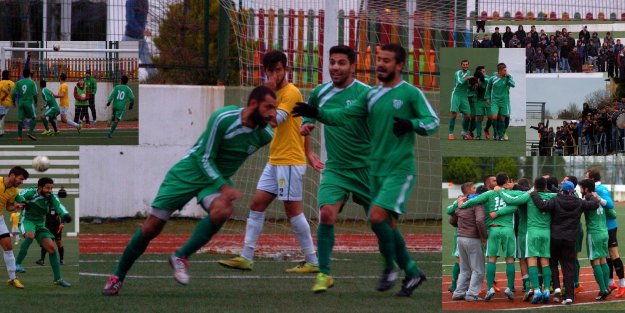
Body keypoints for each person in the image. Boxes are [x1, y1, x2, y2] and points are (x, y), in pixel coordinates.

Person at [102, 85, 278, 296]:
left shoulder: (264, 134)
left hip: (214, 181)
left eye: (274, 108)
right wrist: (224, 186)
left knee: (223, 210)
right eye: (268, 107)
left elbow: (285, 127)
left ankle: (180, 256)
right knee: (151, 228)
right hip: (190, 171)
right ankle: (117, 276)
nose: (272, 113)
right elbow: (204, 157)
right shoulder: (223, 118)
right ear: (253, 104)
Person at [293, 43, 439, 297]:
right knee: (336, 214)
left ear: (399, 65)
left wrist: (412, 123)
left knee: (378, 218)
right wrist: (312, 114)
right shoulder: (370, 96)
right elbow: (342, 116)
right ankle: (329, 273)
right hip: (355, 170)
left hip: (393, 169)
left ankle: (391, 267)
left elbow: (433, 122)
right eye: (379, 59)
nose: (380, 64)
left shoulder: (409, 93)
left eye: (386, 60)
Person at [218, 51, 322, 275]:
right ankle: (246, 257)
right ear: (265, 71)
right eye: (270, 70)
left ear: (286, 69)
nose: (275, 74)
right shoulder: (272, 94)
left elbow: (274, 121)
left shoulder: (291, 92)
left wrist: (268, 95)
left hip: (289, 161)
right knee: (256, 204)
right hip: (276, 159)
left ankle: (313, 260)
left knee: (292, 210)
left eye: (278, 70)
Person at [296, 45, 372, 293]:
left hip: (366, 168)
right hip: (336, 169)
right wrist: (306, 125)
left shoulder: (366, 94)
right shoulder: (319, 92)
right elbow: (309, 115)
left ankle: (401, 267)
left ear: (352, 66)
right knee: (327, 213)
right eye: (332, 62)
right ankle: (324, 273)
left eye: (341, 63)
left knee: (382, 223)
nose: (335, 67)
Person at [529, 180, 602, 305]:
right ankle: (569, 296)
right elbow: (594, 205)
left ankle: (556, 286)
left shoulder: (556, 200)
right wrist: (591, 195)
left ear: (561, 190)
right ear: (573, 191)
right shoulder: (579, 202)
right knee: (569, 267)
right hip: (570, 239)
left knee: (552, 263)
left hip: (555, 237)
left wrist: (534, 194)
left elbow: (542, 205)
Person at [459, 172, 517, 301]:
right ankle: (509, 288)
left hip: (494, 229)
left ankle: (490, 288)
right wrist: (513, 188)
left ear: (497, 182)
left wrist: (462, 204)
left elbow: (474, 200)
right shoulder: (512, 194)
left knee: (491, 259)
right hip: (508, 230)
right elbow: (523, 198)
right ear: (507, 181)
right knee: (509, 259)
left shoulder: (489, 193)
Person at [500, 177, 557, 304]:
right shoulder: (553, 196)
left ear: (534, 186)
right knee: (544, 262)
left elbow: (510, 199)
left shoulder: (529, 196)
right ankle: (546, 290)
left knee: (530, 261)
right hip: (546, 233)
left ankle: (536, 290)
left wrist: (499, 191)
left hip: (532, 232)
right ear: (545, 186)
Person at [14, 177, 72, 287]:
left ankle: (58, 279)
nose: (50, 191)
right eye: (47, 188)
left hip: (40, 224)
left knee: (52, 249)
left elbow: (59, 206)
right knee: (30, 235)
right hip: (27, 220)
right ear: (40, 187)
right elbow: (19, 195)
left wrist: (65, 215)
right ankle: (17, 264)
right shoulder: (31, 191)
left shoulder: (51, 197)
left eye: (51, 188)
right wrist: (24, 202)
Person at [586, 168, 625, 297]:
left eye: (586, 177)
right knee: (605, 256)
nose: (585, 179)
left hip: (609, 226)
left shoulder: (600, 189)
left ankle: (622, 285)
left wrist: (599, 199)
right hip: (602, 227)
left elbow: (610, 205)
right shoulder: (591, 190)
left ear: (591, 179)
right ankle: (611, 282)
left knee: (614, 254)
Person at [450, 182, 487, 302]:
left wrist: (461, 226)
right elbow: (480, 221)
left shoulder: (461, 203)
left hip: (460, 238)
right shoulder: (477, 204)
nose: (475, 189)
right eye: (474, 188)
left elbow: (452, 220)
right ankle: (471, 293)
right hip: (473, 238)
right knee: (478, 269)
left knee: (464, 268)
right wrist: (484, 236)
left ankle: (459, 292)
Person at [0, 166, 28, 289]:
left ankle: (13, 278)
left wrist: (16, 207)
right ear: (12, 175)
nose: (21, 182)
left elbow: (8, 207)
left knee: (8, 246)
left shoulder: (14, 191)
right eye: (20, 179)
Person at [124, 0, 156, 77]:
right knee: (147, 62)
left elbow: (130, 20)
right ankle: (157, 80)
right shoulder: (144, 2)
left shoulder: (131, 1)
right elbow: (142, 19)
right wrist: (142, 30)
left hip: (130, 37)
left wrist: (141, 31)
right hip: (140, 38)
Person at [485, 63, 515, 141]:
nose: (506, 71)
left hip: (504, 100)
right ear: (500, 70)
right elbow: (488, 89)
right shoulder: (493, 78)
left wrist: (508, 77)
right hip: (495, 100)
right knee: (494, 117)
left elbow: (513, 84)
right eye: (504, 70)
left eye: (506, 70)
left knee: (502, 118)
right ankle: (496, 132)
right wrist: (487, 98)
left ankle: (501, 134)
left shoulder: (508, 77)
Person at [36, 195, 65, 266]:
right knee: (45, 243)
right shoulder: (45, 205)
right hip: (47, 227)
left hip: (57, 227)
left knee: (58, 242)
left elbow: (63, 215)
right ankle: (42, 260)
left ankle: (61, 260)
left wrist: (62, 223)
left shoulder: (58, 206)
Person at [11, 68, 38, 141]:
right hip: (28, 103)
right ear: (29, 74)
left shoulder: (18, 82)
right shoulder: (32, 83)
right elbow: (35, 94)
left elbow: (13, 93)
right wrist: (36, 102)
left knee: (20, 120)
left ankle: (19, 137)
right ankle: (29, 132)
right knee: (34, 118)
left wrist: (13, 102)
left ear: (23, 74)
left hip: (21, 103)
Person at [448, 59, 473, 140]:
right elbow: (459, 82)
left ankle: (464, 132)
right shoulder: (457, 73)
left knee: (468, 116)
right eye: (464, 64)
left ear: (468, 65)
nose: (465, 66)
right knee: (454, 113)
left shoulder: (469, 72)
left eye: (466, 64)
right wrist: (467, 78)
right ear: (461, 65)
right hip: (456, 94)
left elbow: (469, 84)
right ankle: (451, 133)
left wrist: (474, 83)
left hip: (464, 96)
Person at [0, 70, 15, 136]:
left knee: (0, 117)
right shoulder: (12, 83)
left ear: (2, 75)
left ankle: (0, 131)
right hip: (8, 103)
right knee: (1, 117)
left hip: (1, 102)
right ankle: (1, 131)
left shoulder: (1, 83)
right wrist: (14, 101)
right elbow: (14, 94)